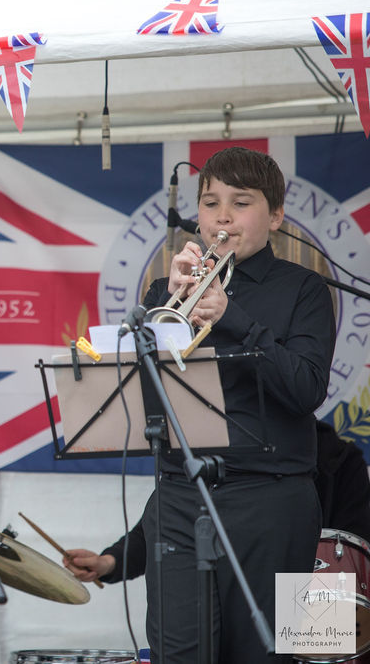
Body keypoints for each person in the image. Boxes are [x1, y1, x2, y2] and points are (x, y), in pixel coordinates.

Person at [71, 147, 336, 663]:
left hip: (272, 501)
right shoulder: (163, 291)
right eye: (211, 202)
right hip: (182, 500)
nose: (222, 217)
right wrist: (162, 305)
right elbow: (141, 397)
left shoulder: (302, 289)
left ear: (276, 215)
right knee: (178, 651)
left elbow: (307, 389)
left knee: (266, 654)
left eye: (241, 203)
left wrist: (232, 316)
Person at [64, 422, 370, 585]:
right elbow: (168, 522)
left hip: (312, 599)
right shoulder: (212, 449)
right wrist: (110, 562)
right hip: (221, 598)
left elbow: (353, 553)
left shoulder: (339, 460)